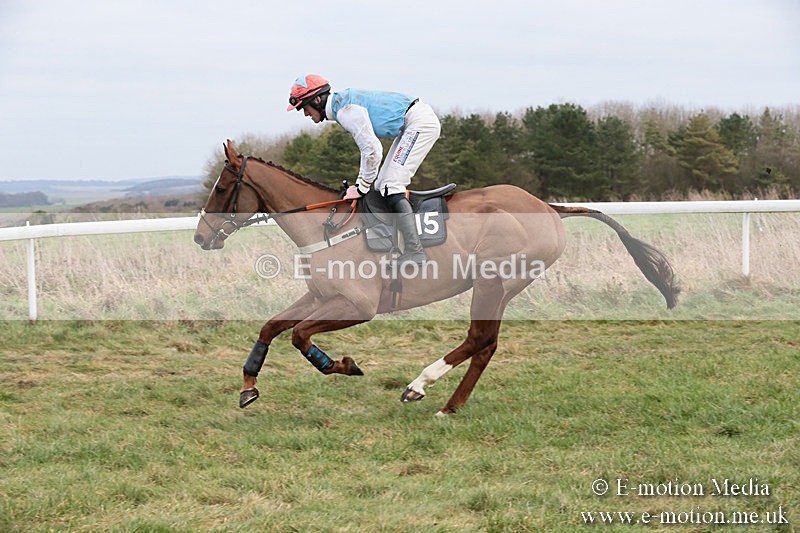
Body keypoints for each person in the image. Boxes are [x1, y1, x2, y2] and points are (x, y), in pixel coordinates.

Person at [287, 74, 441, 265]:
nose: (305, 114)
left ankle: (415, 252)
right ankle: (398, 243)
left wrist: (360, 187)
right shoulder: (341, 106)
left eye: (304, 107)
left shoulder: (346, 111)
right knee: (382, 185)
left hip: (418, 123)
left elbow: (373, 151)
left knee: (392, 185)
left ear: (317, 100)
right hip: (410, 123)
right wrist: (366, 184)